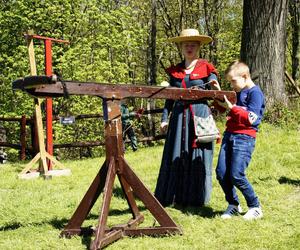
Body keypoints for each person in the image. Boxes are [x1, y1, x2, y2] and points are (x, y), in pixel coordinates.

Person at [154, 28, 219, 207]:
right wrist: (165, 118)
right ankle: (172, 196)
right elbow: (169, 98)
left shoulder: (207, 68)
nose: (189, 47)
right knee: (175, 154)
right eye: (185, 44)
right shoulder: (175, 71)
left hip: (199, 116)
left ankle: (196, 197)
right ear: (181, 47)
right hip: (179, 117)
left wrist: (215, 88)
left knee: (199, 155)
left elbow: (217, 93)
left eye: (193, 44)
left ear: (198, 47)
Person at [211, 60, 265, 220]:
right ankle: (233, 204)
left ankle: (255, 206)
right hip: (229, 135)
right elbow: (223, 108)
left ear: (245, 76)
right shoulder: (238, 92)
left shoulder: (255, 93)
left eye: (233, 81)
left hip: (245, 137)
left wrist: (232, 108)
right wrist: (218, 93)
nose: (232, 85)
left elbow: (251, 118)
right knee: (221, 173)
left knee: (236, 175)